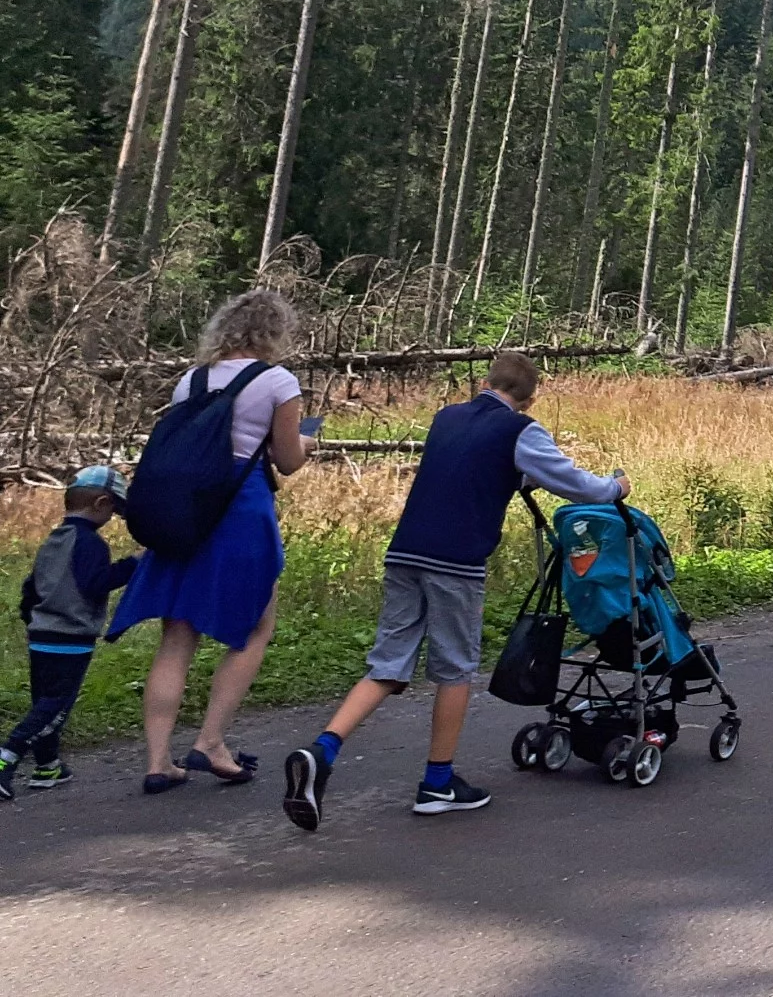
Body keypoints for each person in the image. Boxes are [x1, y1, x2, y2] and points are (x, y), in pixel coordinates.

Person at [283, 351, 625, 829]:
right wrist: (615, 487)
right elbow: (577, 485)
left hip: (406, 552)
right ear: (529, 400)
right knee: (455, 668)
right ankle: (437, 783)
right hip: (456, 561)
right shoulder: (521, 430)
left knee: (388, 663)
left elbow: (469, 465)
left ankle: (324, 749)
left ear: (485, 382)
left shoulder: (447, 418)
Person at [109, 288, 313, 794]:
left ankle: (158, 761)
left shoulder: (192, 380)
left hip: (186, 511)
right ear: (274, 332)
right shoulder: (277, 381)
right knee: (256, 626)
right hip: (240, 511)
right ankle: (211, 741)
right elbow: (288, 461)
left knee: (177, 635)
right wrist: (308, 441)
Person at [3, 466, 137, 800]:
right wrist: (133, 564)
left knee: (44, 701)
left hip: (42, 635)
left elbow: (31, 588)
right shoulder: (90, 544)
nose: (112, 517)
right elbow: (95, 584)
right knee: (55, 706)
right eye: (113, 510)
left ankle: (47, 765)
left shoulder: (54, 540)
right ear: (101, 503)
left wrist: (33, 620)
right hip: (71, 639)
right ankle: (8, 755)